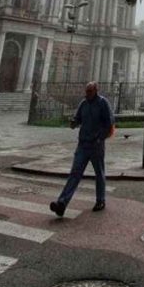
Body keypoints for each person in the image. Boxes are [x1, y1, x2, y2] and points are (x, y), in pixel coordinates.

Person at [50, 82, 114, 217]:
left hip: (96, 145)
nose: (87, 94)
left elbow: (109, 124)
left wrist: (100, 138)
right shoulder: (83, 103)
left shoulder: (103, 103)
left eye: (90, 91)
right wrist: (74, 122)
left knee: (99, 173)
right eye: (86, 91)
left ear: (96, 91)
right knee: (74, 173)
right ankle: (62, 203)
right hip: (83, 144)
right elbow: (78, 118)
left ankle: (100, 200)